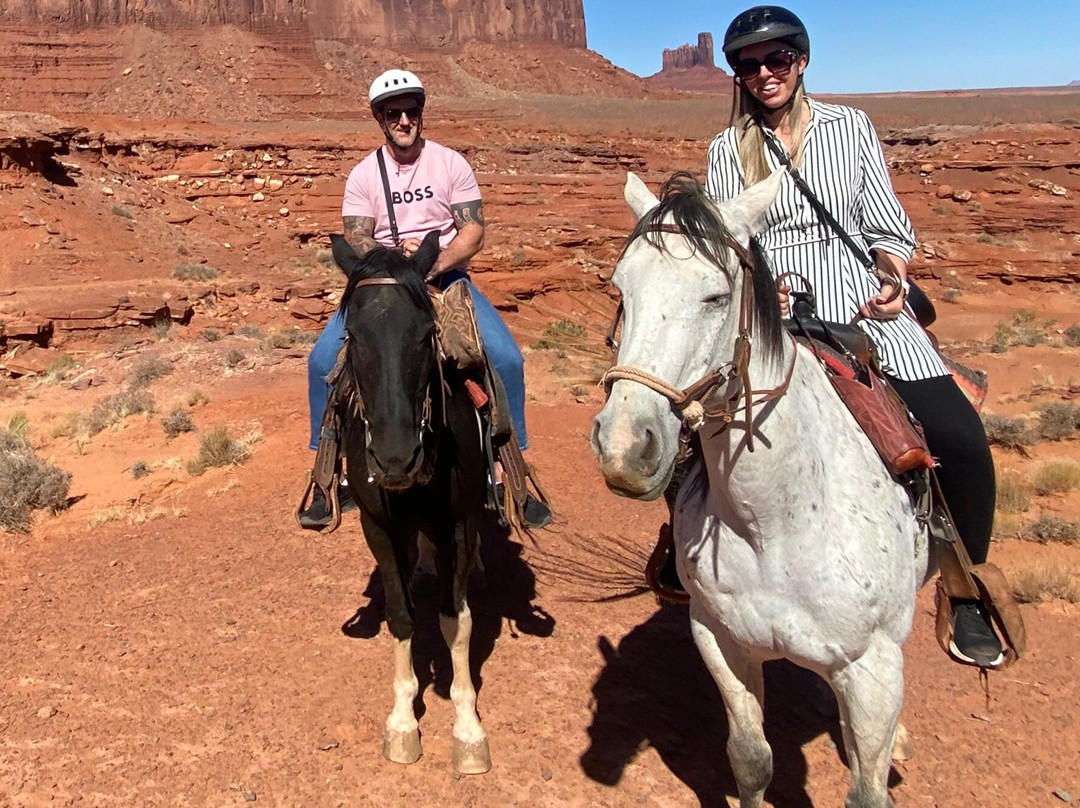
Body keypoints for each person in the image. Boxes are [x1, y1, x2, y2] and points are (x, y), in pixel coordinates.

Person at [697, 6, 1001, 667]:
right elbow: (731, 240)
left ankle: (966, 586)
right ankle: (686, 559)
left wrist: (892, 274)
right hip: (779, 321)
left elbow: (886, 224)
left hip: (864, 311)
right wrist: (761, 285)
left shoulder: (850, 127)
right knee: (698, 436)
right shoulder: (728, 150)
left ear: (801, 61)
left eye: (777, 59)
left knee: (956, 435)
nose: (763, 73)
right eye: (749, 65)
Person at [301, 68, 549, 529]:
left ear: (420, 114)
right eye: (392, 113)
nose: (403, 120)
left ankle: (505, 469)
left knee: (504, 358)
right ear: (380, 118)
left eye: (410, 111)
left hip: (445, 277)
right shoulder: (363, 175)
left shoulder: (450, 164)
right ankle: (329, 472)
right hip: (385, 284)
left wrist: (431, 264)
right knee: (321, 362)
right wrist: (396, 266)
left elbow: (472, 230)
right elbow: (356, 237)